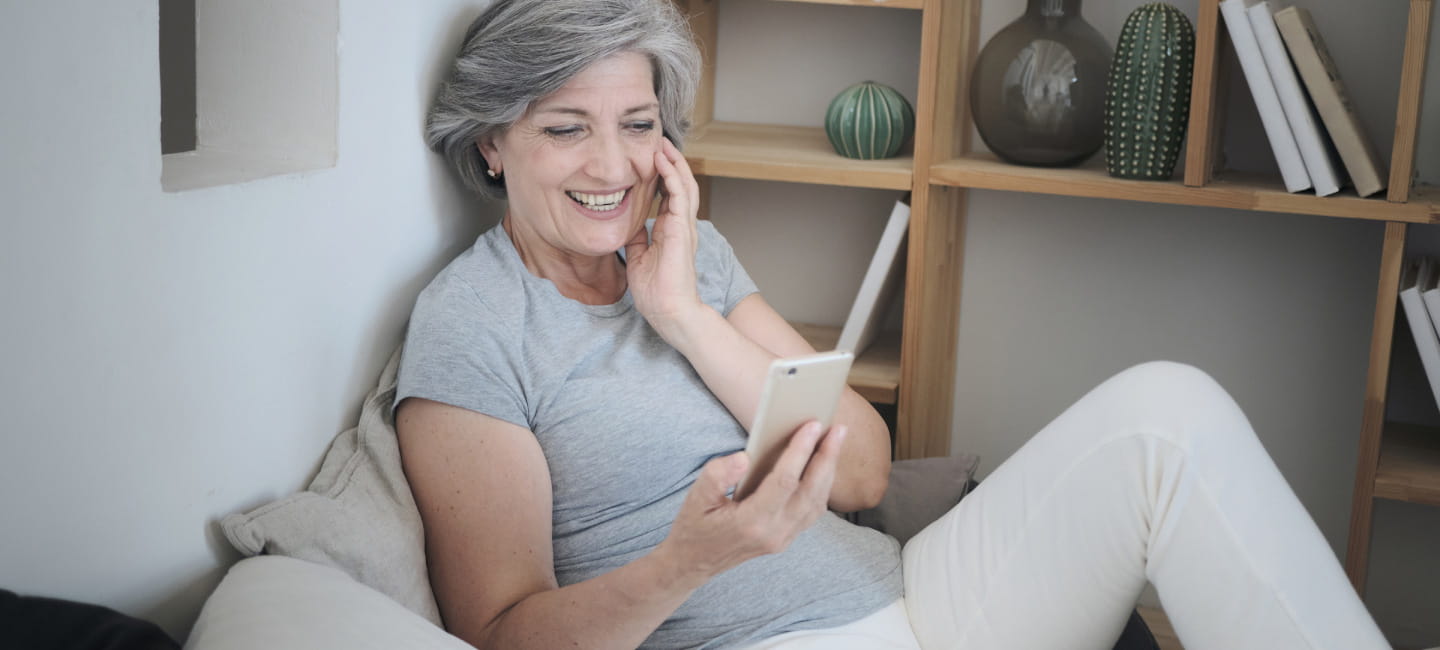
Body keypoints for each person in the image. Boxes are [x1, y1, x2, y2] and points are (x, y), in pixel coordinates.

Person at [395, 1, 1391, 648]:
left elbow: (866, 467)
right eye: (567, 129)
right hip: (754, 639)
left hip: (916, 594)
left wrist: (685, 313)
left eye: (639, 125)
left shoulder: (687, 254)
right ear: (492, 143)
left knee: (1166, 412)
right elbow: (501, 629)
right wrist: (686, 561)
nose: (613, 167)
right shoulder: (473, 323)